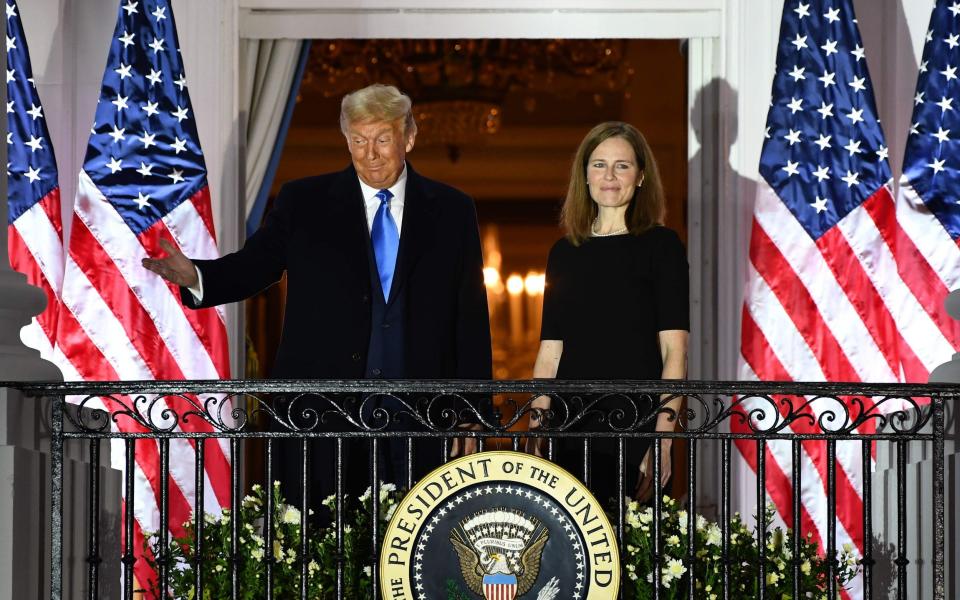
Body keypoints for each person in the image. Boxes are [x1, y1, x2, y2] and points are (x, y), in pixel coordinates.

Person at [142, 83, 493, 512]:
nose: (371, 154)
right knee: (324, 548)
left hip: (420, 418)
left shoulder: (452, 210)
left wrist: (472, 410)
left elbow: (470, 316)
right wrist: (198, 274)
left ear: (409, 138)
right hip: (322, 415)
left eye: (383, 139)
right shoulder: (304, 202)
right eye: (359, 141)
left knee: (416, 546)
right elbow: (256, 265)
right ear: (347, 140)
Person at [527, 121, 689, 504]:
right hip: (569, 427)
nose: (610, 176)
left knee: (633, 554)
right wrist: (536, 430)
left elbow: (675, 352)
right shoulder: (564, 252)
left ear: (641, 176)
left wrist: (662, 441)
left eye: (622, 165)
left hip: (635, 426)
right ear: (584, 175)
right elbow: (550, 354)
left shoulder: (662, 246)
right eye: (599, 164)